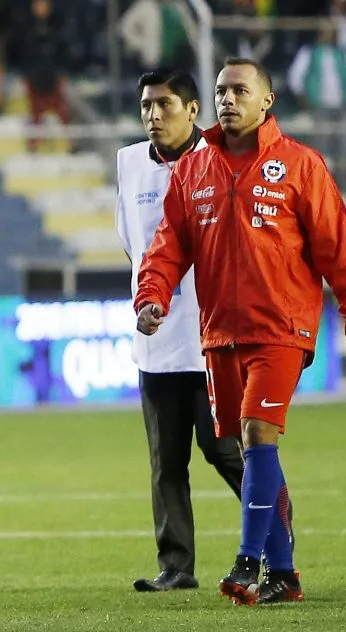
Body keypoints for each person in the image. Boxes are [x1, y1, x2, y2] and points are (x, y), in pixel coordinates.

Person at [135, 58, 346, 606]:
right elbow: (168, 245)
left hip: (282, 328)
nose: (227, 99)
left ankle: (247, 561)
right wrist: (153, 295)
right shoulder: (195, 170)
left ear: (267, 101)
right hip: (220, 333)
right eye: (221, 91)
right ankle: (284, 574)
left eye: (240, 90)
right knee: (246, 442)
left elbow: (339, 248)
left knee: (255, 433)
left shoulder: (300, 166)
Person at [116, 67, 244, 593]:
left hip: (212, 337)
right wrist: (148, 300)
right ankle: (177, 566)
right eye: (146, 105)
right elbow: (132, 241)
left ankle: (275, 538)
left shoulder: (218, 160)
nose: (152, 114)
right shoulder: (127, 162)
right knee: (166, 463)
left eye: (164, 104)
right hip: (157, 343)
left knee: (226, 452)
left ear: (193, 111)